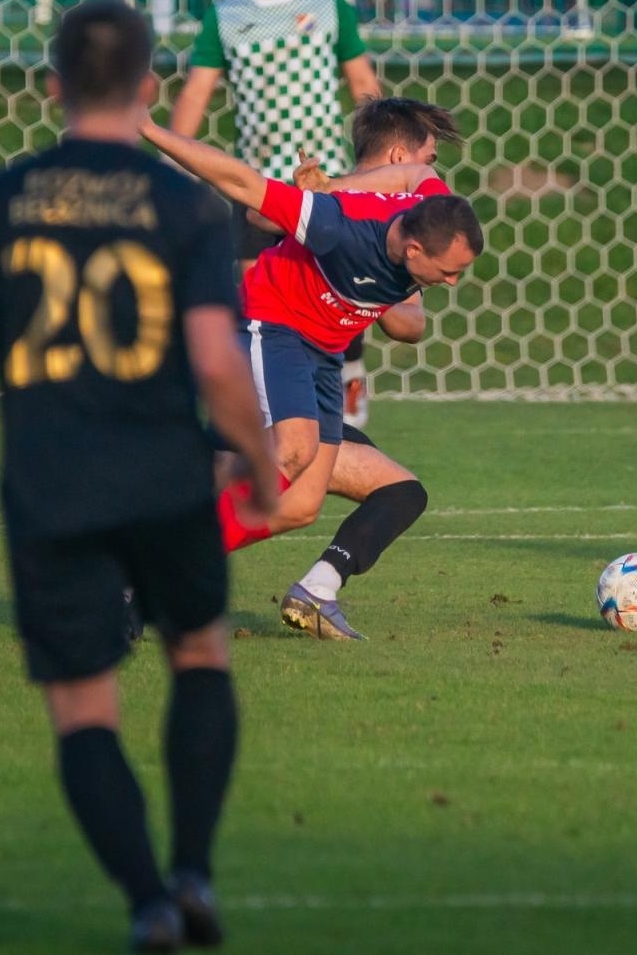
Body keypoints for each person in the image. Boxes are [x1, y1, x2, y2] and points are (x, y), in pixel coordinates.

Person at [0, 0, 280, 951]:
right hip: (166, 478)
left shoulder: (2, 197)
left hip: (49, 488)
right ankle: (193, 871)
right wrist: (259, 461)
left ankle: (145, 901)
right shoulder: (187, 203)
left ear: (52, 85)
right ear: (148, 91)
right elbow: (219, 362)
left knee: (84, 705)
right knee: (199, 654)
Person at [141, 109, 482, 641]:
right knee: (293, 449)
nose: (455, 283)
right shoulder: (336, 224)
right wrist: (149, 129)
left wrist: (336, 185)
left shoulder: (426, 204)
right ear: (415, 250)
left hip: (322, 353)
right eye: (450, 272)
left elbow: (417, 176)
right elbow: (243, 185)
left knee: (300, 505)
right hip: (270, 326)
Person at [171, 0, 382, 427]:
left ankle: (348, 410)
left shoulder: (329, 6)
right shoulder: (226, 16)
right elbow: (196, 95)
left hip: (327, 184)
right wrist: (168, 163)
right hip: (257, 191)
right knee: (254, 302)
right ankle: (261, 417)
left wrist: (372, 168)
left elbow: (363, 87)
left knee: (343, 298)